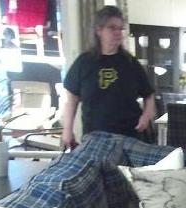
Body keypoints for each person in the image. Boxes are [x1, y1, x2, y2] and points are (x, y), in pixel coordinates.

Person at [62, 6, 155, 149]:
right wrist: (67, 130)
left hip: (130, 137)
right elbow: (71, 101)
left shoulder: (131, 63)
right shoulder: (84, 62)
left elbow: (149, 95)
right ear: (99, 30)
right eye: (112, 28)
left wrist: (146, 117)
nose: (118, 33)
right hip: (95, 138)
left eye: (120, 28)